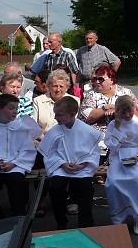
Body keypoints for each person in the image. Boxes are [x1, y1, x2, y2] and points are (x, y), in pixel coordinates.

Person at [38, 97, 101, 230]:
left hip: (82, 167)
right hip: (61, 167)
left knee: (86, 188)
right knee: (56, 188)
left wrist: (82, 165)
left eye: (59, 114)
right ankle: (61, 221)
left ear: (72, 114)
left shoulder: (87, 131)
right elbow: (50, 153)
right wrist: (62, 164)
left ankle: (86, 224)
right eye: (55, 114)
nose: (56, 118)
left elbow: (93, 153)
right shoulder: (54, 131)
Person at [0, 94, 40, 222]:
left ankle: (18, 219)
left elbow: (27, 150)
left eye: (16, 108)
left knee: (16, 183)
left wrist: (14, 163)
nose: (15, 111)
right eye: (11, 108)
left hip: (15, 167)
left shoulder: (21, 128)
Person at [103, 96, 138, 235]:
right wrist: (116, 128)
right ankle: (119, 217)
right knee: (113, 182)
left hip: (137, 157)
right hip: (118, 157)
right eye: (123, 112)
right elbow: (111, 146)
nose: (127, 115)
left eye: (129, 111)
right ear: (117, 112)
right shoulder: (113, 125)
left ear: (134, 109)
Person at [78, 64, 138, 181]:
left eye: (101, 79)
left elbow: (136, 113)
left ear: (112, 80)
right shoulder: (91, 95)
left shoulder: (126, 93)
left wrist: (116, 109)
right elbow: (86, 117)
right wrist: (104, 109)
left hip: (123, 131)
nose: (97, 82)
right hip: (99, 134)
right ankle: (100, 171)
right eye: (95, 79)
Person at [32, 69, 79, 217]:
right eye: (54, 86)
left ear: (66, 87)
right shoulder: (38, 101)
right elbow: (34, 126)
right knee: (38, 158)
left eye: (61, 86)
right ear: (48, 86)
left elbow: (74, 125)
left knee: (73, 157)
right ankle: (41, 199)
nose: (58, 89)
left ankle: (71, 198)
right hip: (43, 141)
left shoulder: (73, 101)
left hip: (67, 141)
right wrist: (45, 139)